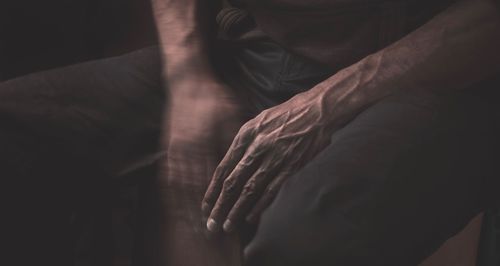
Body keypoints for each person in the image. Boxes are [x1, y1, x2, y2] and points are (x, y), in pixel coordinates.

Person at [3, 0, 500, 265]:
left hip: (430, 76)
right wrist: (189, 79)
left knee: (297, 243)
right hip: (257, 54)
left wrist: (323, 106)